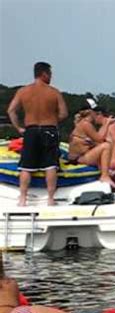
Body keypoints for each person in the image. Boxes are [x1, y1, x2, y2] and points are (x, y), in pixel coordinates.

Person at [6, 62, 68, 206]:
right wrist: (53, 120)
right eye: (50, 74)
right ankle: (50, 199)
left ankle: (22, 199)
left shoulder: (23, 91)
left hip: (31, 130)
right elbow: (64, 113)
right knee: (51, 165)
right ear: (44, 74)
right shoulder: (54, 92)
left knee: (26, 166)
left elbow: (11, 111)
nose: (51, 77)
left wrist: (18, 127)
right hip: (49, 129)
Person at [68, 108, 115, 187]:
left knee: (100, 145)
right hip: (79, 158)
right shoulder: (86, 124)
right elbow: (100, 139)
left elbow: (97, 139)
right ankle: (104, 176)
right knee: (106, 146)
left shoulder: (82, 123)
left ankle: (106, 171)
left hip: (78, 157)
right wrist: (107, 123)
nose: (97, 115)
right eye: (96, 112)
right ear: (91, 113)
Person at [95, 106, 115, 171]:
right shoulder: (103, 127)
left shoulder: (113, 125)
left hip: (112, 158)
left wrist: (114, 158)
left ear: (100, 115)